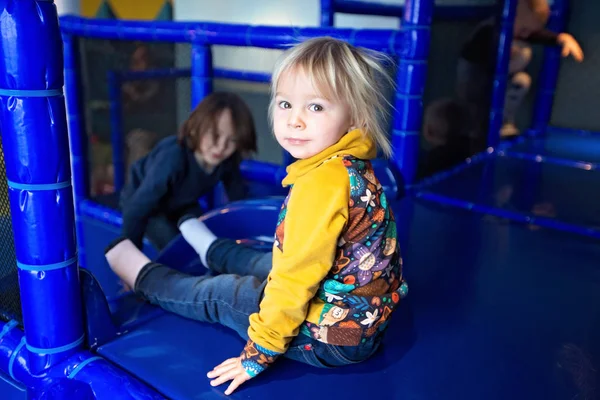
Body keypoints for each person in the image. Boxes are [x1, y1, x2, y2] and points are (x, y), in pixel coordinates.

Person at [105, 37, 408, 395]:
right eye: (285, 104)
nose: (294, 120)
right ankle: (212, 250)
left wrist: (258, 353)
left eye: (315, 107)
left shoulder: (321, 186)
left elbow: (294, 284)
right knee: (267, 262)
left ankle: (142, 276)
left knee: (223, 293)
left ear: (355, 115)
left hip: (334, 337)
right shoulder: (352, 165)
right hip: (363, 316)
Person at [119, 91, 257, 250]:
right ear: (195, 128)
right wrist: (129, 257)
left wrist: (249, 234)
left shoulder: (226, 161)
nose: (221, 147)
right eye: (215, 135)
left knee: (207, 237)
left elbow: (238, 198)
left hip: (181, 203)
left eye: (232, 140)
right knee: (175, 244)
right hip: (148, 205)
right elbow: (136, 208)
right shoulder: (173, 158)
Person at [456, 0, 583, 141]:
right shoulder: (489, 30)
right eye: (523, 29)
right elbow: (473, 56)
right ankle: (476, 131)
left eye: (529, 31)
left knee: (522, 80)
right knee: (475, 115)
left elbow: (537, 36)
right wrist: (500, 53)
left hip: (498, 82)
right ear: (511, 16)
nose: (525, 35)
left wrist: (560, 39)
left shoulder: (518, 30)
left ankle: (503, 123)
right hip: (476, 82)